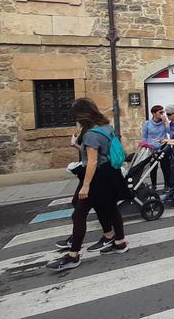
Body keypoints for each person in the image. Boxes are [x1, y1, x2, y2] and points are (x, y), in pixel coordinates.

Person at [47, 98, 129, 271]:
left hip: (96, 178)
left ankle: (73, 255)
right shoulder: (106, 127)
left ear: (81, 115)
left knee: (79, 215)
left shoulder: (91, 134)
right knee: (111, 209)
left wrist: (85, 186)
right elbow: (101, 153)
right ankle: (120, 242)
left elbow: (92, 162)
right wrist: (79, 147)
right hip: (109, 174)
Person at [140, 105, 170, 191]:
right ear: (154, 113)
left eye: (163, 112)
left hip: (163, 147)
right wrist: (146, 147)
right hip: (152, 148)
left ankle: (167, 185)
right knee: (153, 168)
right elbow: (144, 136)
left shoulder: (164, 122)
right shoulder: (147, 123)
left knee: (165, 167)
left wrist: (166, 122)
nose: (162, 114)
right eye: (160, 112)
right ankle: (153, 185)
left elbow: (169, 131)